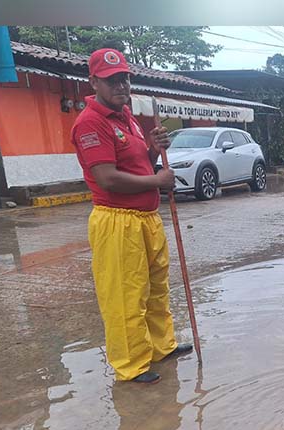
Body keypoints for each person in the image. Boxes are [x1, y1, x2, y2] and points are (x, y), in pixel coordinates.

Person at [71, 48, 192, 384]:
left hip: (145, 218)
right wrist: (157, 181)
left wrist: (152, 147)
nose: (120, 86)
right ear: (94, 81)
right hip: (117, 220)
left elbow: (137, 163)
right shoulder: (91, 123)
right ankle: (131, 364)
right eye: (111, 80)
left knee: (156, 288)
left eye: (124, 78)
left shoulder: (128, 119)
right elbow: (108, 177)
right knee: (125, 295)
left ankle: (160, 346)